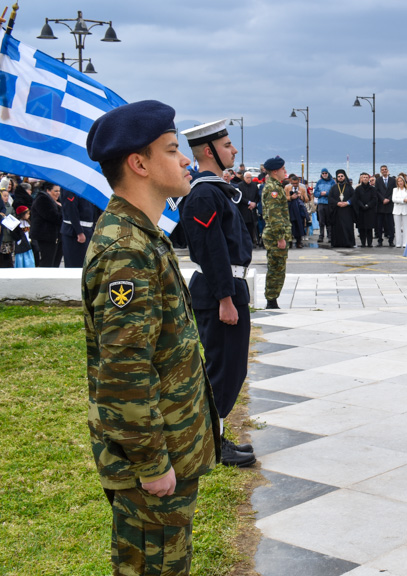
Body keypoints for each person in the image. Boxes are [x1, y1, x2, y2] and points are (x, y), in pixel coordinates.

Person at [82, 100, 220, 576]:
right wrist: (152, 462)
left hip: (169, 451)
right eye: (172, 150)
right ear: (139, 164)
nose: (186, 160)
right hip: (153, 464)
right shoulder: (127, 251)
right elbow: (124, 372)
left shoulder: (142, 235)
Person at [179, 119, 256, 467]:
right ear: (209, 151)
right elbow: (210, 250)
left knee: (231, 367)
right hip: (218, 292)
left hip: (228, 288)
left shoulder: (213, 189)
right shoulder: (204, 193)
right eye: (227, 145)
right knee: (222, 369)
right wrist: (225, 298)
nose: (234, 149)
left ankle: (215, 435)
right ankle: (210, 442)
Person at [261, 157, 291, 309]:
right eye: (283, 169)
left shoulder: (275, 186)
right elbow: (274, 215)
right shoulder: (273, 189)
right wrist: (280, 237)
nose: (285, 171)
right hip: (275, 235)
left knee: (278, 268)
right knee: (276, 269)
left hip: (276, 234)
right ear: (275, 171)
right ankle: (271, 301)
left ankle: (272, 299)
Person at [60, 188, 100, 267]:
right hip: (74, 232)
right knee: (75, 264)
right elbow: (71, 209)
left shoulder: (84, 188)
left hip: (88, 230)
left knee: (86, 264)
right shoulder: (69, 188)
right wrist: (79, 232)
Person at [31, 181, 63, 267]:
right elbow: (53, 217)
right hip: (46, 236)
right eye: (55, 191)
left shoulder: (56, 201)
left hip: (56, 236)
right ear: (48, 190)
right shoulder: (42, 199)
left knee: (56, 261)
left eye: (59, 191)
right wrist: (61, 209)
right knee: (47, 261)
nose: (58, 193)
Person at [330, 169, 356, 247]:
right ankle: (337, 243)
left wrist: (347, 203)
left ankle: (348, 243)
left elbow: (354, 197)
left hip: (347, 210)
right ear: (337, 178)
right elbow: (330, 198)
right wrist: (337, 203)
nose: (340, 178)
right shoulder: (333, 187)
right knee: (337, 227)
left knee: (347, 227)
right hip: (337, 210)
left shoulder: (349, 187)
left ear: (344, 177)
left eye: (342, 176)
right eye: (338, 176)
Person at [235, 171, 260, 248]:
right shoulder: (240, 186)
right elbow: (240, 197)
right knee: (244, 227)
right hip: (244, 209)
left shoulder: (254, 186)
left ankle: (252, 242)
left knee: (252, 227)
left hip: (252, 210)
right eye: (247, 178)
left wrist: (254, 203)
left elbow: (257, 196)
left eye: (250, 178)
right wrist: (249, 203)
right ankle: (244, 243)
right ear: (244, 178)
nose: (249, 179)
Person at [353, 172, 378, 247]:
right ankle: (363, 243)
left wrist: (368, 205)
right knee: (361, 228)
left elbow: (374, 199)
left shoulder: (372, 189)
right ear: (361, 178)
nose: (365, 178)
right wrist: (362, 205)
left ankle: (369, 243)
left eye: (367, 177)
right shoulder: (358, 189)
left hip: (369, 210)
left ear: (369, 179)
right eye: (364, 177)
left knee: (369, 228)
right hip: (361, 210)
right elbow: (356, 199)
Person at [374, 165, 396, 247]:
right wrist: (383, 199)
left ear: (388, 170)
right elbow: (377, 191)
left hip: (390, 205)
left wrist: (389, 199)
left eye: (385, 169)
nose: (384, 171)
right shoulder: (378, 180)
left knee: (390, 224)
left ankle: (391, 241)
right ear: (380, 171)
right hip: (381, 205)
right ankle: (380, 240)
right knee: (379, 225)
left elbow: (394, 190)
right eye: (382, 170)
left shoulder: (392, 180)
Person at [284, 175, 307, 249]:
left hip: (299, 209)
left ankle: (299, 241)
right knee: (290, 225)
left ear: (298, 182)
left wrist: (300, 196)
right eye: (293, 183)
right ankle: (289, 242)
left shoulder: (302, 189)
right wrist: (291, 197)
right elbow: (283, 198)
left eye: (296, 183)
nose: (295, 185)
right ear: (291, 182)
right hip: (290, 208)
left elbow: (306, 199)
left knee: (299, 224)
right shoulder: (287, 188)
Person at [313, 168, 334, 243]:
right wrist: (320, 194)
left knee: (329, 221)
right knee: (321, 221)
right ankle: (321, 236)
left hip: (328, 203)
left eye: (325, 173)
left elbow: (333, 191)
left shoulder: (332, 181)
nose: (324, 174)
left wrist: (326, 193)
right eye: (323, 173)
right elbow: (315, 193)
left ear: (328, 173)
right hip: (321, 204)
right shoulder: (319, 182)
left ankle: (330, 236)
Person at [391, 173, 407, 248]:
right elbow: (394, 199)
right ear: (397, 182)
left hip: (405, 209)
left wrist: (400, 200)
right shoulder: (395, 190)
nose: (400, 182)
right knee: (397, 227)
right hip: (397, 210)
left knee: (406, 227)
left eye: (401, 181)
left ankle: (405, 243)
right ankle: (398, 243)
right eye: (399, 181)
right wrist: (403, 200)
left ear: (404, 181)